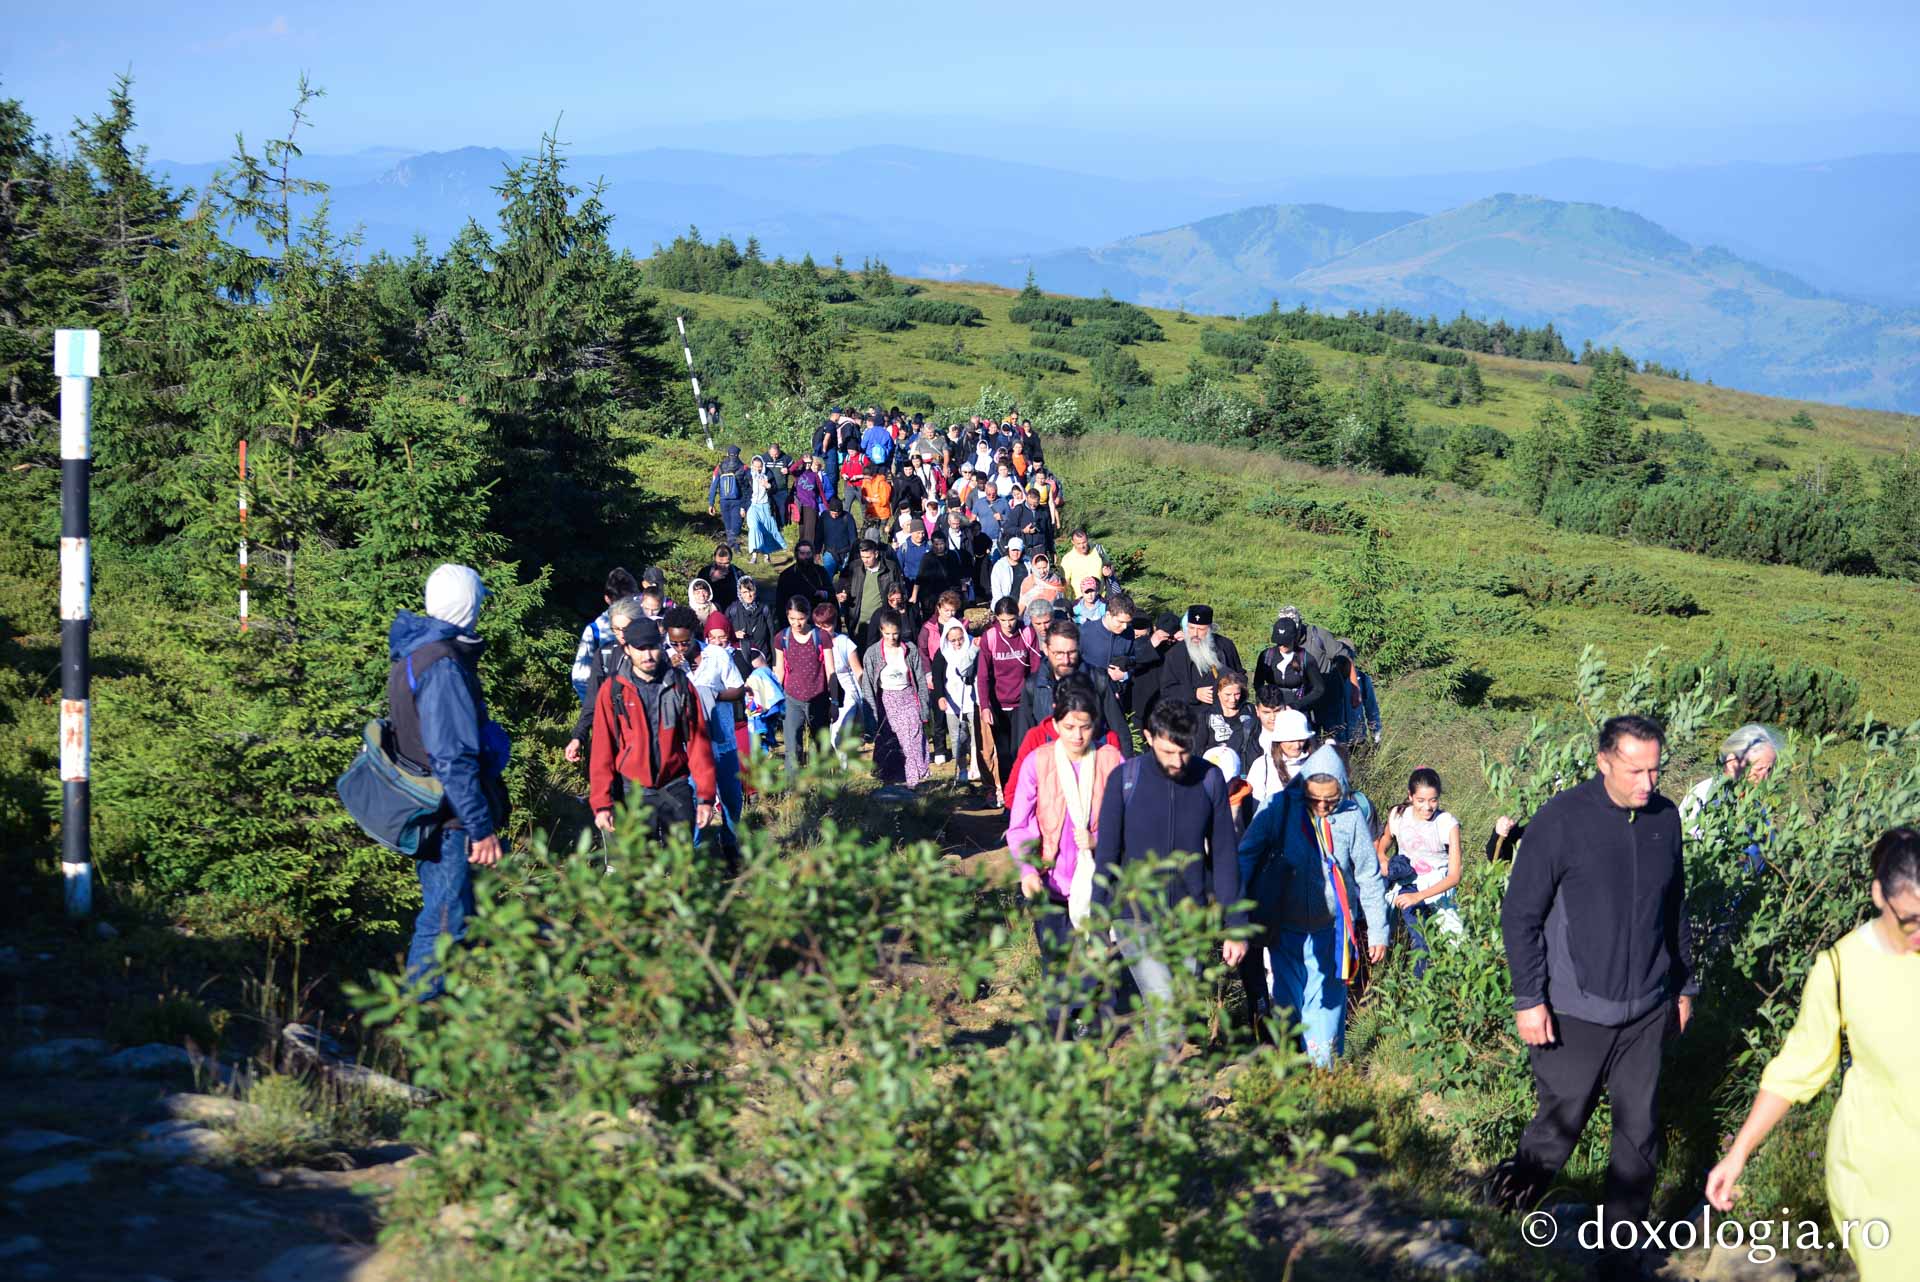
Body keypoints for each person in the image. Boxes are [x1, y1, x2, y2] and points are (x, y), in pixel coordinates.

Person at [1492, 715, 1697, 1241]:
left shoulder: (1664, 819)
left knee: (1639, 1134)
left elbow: (1674, 908)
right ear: (1603, 761)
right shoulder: (1560, 820)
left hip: (1648, 1007)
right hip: (1574, 1009)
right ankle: (1494, 1221)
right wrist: (1528, 998)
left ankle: (1621, 1252)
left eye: (1655, 771)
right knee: (1557, 1129)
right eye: (1634, 771)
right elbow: (1520, 915)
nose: (1647, 784)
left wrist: (1684, 985)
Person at [1704, 828, 1919, 1282]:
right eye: (1910, 919)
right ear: (1879, 895)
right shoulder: (1841, 969)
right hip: (1876, 1173)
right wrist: (1737, 1153)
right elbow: (1796, 1070)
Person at [1089, 700, 1248, 1051]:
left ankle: (1156, 1082)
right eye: (1167, 752)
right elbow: (1107, 857)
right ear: (1148, 737)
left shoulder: (1210, 779)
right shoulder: (1124, 780)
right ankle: (1167, 1092)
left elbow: (1223, 856)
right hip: (1134, 915)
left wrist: (1235, 926)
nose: (1177, 762)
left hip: (1188, 917)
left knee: (1175, 1003)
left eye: (1184, 751)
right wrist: (1098, 926)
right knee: (1164, 1001)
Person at [389, 564, 508, 999]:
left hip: (434, 813)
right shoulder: (443, 667)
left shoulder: (413, 656)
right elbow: (452, 758)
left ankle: (457, 1021)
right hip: (452, 822)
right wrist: (480, 827)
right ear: (469, 607)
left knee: (462, 917)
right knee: (443, 923)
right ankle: (421, 1027)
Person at [1237, 741, 1388, 1066]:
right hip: (1285, 931)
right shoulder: (1279, 808)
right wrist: (1236, 910)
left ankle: (1324, 1077)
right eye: (1315, 798)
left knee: (1327, 1009)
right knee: (1290, 1006)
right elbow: (1246, 855)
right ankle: (1295, 1070)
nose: (1322, 805)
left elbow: (1369, 875)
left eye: (1330, 799)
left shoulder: (1350, 818)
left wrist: (1378, 930)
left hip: (1332, 932)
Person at [1009, 676, 1127, 1037]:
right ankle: (1059, 1032)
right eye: (1070, 727)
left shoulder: (1110, 759)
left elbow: (1128, 816)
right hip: (1052, 882)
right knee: (1058, 960)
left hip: (1099, 881)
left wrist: (1097, 840)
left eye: (1086, 726)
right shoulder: (1038, 762)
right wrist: (1028, 870)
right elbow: (1021, 823)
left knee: (1098, 957)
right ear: (1055, 723)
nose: (1077, 735)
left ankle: (1092, 1026)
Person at [589, 608, 719, 848]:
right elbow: (602, 750)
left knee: (682, 867)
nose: (648, 654)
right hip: (633, 791)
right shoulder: (612, 691)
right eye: (640, 648)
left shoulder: (680, 686)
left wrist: (705, 798)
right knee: (641, 873)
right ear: (627, 650)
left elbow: (698, 744)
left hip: (675, 786)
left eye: (653, 647)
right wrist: (602, 803)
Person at [1375, 768, 1464, 977]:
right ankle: (1395, 978)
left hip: (1437, 885)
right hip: (1406, 881)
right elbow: (1385, 841)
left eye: (1433, 800)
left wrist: (1419, 896)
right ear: (1410, 796)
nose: (1427, 807)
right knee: (1402, 937)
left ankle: (1446, 984)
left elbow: (1454, 877)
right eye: (1421, 800)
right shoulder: (1398, 815)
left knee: (1458, 943)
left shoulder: (1447, 824)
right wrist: (1382, 857)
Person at [1011, 619, 1131, 762]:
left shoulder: (1098, 680)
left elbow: (1119, 731)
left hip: (1093, 765)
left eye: (1071, 652)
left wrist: (1126, 773)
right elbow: (1024, 739)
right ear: (1046, 650)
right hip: (1050, 768)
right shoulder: (1034, 685)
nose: (1066, 660)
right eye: (1059, 653)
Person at [687, 611, 748, 871]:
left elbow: (738, 689)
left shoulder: (717, 655)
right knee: (693, 798)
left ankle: (730, 841)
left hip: (723, 738)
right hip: (691, 743)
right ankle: (695, 853)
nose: (680, 646)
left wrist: (711, 694)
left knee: (732, 797)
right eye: (675, 640)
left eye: (685, 638)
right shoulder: (668, 660)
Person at [976, 596, 1040, 806]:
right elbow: (983, 675)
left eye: (1011, 619)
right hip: (999, 705)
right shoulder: (990, 637)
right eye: (1003, 620)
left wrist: (1036, 701)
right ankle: (1009, 801)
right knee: (1004, 755)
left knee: (1021, 752)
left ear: (1018, 616)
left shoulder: (1027, 633)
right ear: (997, 618)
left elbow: (1036, 668)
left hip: (1023, 704)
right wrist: (985, 706)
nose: (1008, 625)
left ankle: (1027, 799)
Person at [566, 593, 642, 766]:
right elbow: (593, 700)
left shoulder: (653, 655)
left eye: (626, 628)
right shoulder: (606, 655)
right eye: (616, 629)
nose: (621, 634)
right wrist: (578, 737)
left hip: (647, 744)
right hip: (613, 740)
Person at [860, 606, 932, 789]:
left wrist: (923, 707)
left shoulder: (910, 650)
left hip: (907, 696)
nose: (892, 638)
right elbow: (867, 684)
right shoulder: (873, 653)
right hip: (887, 700)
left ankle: (913, 780)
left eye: (895, 633)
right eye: (888, 634)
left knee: (913, 737)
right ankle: (895, 780)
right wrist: (871, 713)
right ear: (881, 631)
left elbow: (919, 679)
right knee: (895, 741)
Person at [772, 596, 833, 778]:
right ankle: (794, 793)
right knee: (792, 748)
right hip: (792, 699)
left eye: (800, 618)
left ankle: (826, 789)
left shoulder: (821, 636)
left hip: (819, 698)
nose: (796, 623)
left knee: (822, 745)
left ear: (807, 616)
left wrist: (835, 701)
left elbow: (830, 670)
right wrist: (774, 703)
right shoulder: (781, 638)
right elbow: (780, 671)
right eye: (792, 619)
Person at [571, 567, 640, 706]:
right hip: (612, 708)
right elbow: (581, 678)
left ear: (607, 599)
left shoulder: (593, 630)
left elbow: (580, 678)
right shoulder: (595, 631)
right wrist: (601, 708)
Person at [1159, 605, 1244, 711]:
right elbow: (1167, 690)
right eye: (1191, 628)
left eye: (1201, 629)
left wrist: (1229, 690)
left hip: (1223, 714)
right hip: (1189, 717)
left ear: (1210, 629)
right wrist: (1195, 694)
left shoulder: (1226, 646)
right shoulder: (1175, 653)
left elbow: (1240, 676)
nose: (1195, 634)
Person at [933, 619, 979, 784]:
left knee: (975, 736)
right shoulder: (943, 653)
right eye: (953, 640)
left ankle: (975, 766)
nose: (957, 643)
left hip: (972, 699)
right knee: (957, 737)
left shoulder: (973, 646)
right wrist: (940, 696)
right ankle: (962, 769)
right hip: (953, 702)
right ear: (946, 639)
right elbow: (937, 677)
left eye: (960, 638)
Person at [836, 539, 903, 650]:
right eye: (862, 557)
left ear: (876, 554)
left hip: (882, 621)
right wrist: (845, 594)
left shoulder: (891, 568)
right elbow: (846, 584)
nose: (865, 561)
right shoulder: (855, 567)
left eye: (868, 557)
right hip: (859, 621)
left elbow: (898, 590)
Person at [1254, 617, 1325, 721]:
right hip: (1272, 711)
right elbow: (1258, 683)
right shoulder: (1266, 656)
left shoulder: (1306, 659)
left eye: (1286, 642)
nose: (1282, 645)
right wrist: (1266, 702)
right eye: (1279, 642)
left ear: (1295, 638)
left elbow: (1319, 689)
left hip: (1297, 711)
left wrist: (1297, 705)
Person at [817, 602, 867, 750]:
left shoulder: (844, 643)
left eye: (827, 626)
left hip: (847, 694)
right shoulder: (813, 642)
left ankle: (843, 769)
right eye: (819, 626)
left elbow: (858, 672)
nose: (823, 630)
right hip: (822, 693)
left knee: (837, 736)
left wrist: (867, 697)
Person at [1245, 707, 1313, 809]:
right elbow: (1255, 809)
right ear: (1278, 741)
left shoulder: (1315, 763)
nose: (1297, 746)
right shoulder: (1262, 765)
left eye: (1301, 740)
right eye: (1291, 741)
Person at [1203, 670, 1258, 768]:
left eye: (1237, 694)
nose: (1233, 700)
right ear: (1218, 692)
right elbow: (1199, 748)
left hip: (1244, 768)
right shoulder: (1206, 716)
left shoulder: (1249, 711)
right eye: (1228, 695)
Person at [726, 574, 776, 668]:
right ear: (739, 593)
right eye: (744, 592)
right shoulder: (732, 610)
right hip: (741, 663)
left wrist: (775, 663)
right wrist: (734, 634)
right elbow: (724, 635)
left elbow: (773, 637)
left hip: (763, 661)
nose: (748, 595)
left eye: (751, 591)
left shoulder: (765, 609)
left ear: (755, 590)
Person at [744, 455, 786, 564]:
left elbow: (775, 489)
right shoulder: (748, 475)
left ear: (763, 465)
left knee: (766, 529)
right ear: (752, 465)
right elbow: (744, 491)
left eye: (760, 466)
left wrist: (768, 486)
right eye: (755, 466)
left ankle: (767, 556)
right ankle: (754, 555)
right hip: (753, 506)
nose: (758, 468)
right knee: (754, 528)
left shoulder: (769, 474)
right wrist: (742, 507)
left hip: (765, 506)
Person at [775, 540, 834, 612]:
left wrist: (824, 594)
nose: (805, 557)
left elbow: (831, 591)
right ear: (797, 554)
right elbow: (781, 600)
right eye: (802, 554)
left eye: (808, 553)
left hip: (818, 612)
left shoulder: (820, 571)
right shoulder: (787, 575)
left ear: (812, 554)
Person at [706, 446, 748, 544]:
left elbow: (713, 486)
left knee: (728, 525)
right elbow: (747, 488)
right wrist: (745, 504)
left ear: (727, 454)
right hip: (738, 500)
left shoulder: (719, 467)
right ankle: (734, 547)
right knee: (736, 525)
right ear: (738, 454)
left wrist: (711, 503)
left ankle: (732, 546)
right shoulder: (744, 467)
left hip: (723, 500)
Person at [791, 455, 827, 547]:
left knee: (810, 531)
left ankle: (809, 552)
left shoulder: (814, 476)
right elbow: (791, 469)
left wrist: (826, 507)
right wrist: (802, 461)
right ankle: (800, 552)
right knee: (802, 531)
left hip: (811, 506)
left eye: (809, 463)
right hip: (800, 506)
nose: (808, 465)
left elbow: (821, 493)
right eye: (806, 463)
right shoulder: (798, 474)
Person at [819, 497, 858, 578]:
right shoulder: (824, 516)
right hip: (829, 552)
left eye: (837, 514)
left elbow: (853, 537)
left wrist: (853, 553)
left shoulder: (848, 517)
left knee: (846, 579)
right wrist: (816, 551)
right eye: (832, 513)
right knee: (827, 578)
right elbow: (819, 534)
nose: (834, 516)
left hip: (845, 553)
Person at [1059, 528, 1102, 598]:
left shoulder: (1098, 549)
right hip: (1081, 601)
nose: (1082, 546)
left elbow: (1109, 565)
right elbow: (1064, 583)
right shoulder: (1067, 559)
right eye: (1078, 544)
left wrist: (1109, 571)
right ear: (1072, 542)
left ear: (1087, 539)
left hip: (1101, 598)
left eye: (1084, 542)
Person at [699, 545, 741, 614]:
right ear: (714, 558)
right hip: (711, 611)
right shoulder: (705, 572)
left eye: (726, 563)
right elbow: (696, 592)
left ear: (730, 560)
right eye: (719, 563)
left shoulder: (737, 573)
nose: (723, 566)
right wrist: (711, 579)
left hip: (732, 612)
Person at [987, 537, 1028, 605]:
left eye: (1018, 550)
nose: (1015, 553)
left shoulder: (1027, 563)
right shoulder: (999, 566)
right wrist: (1003, 606)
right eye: (1013, 550)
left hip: (1023, 604)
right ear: (1008, 550)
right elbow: (996, 591)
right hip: (1005, 605)